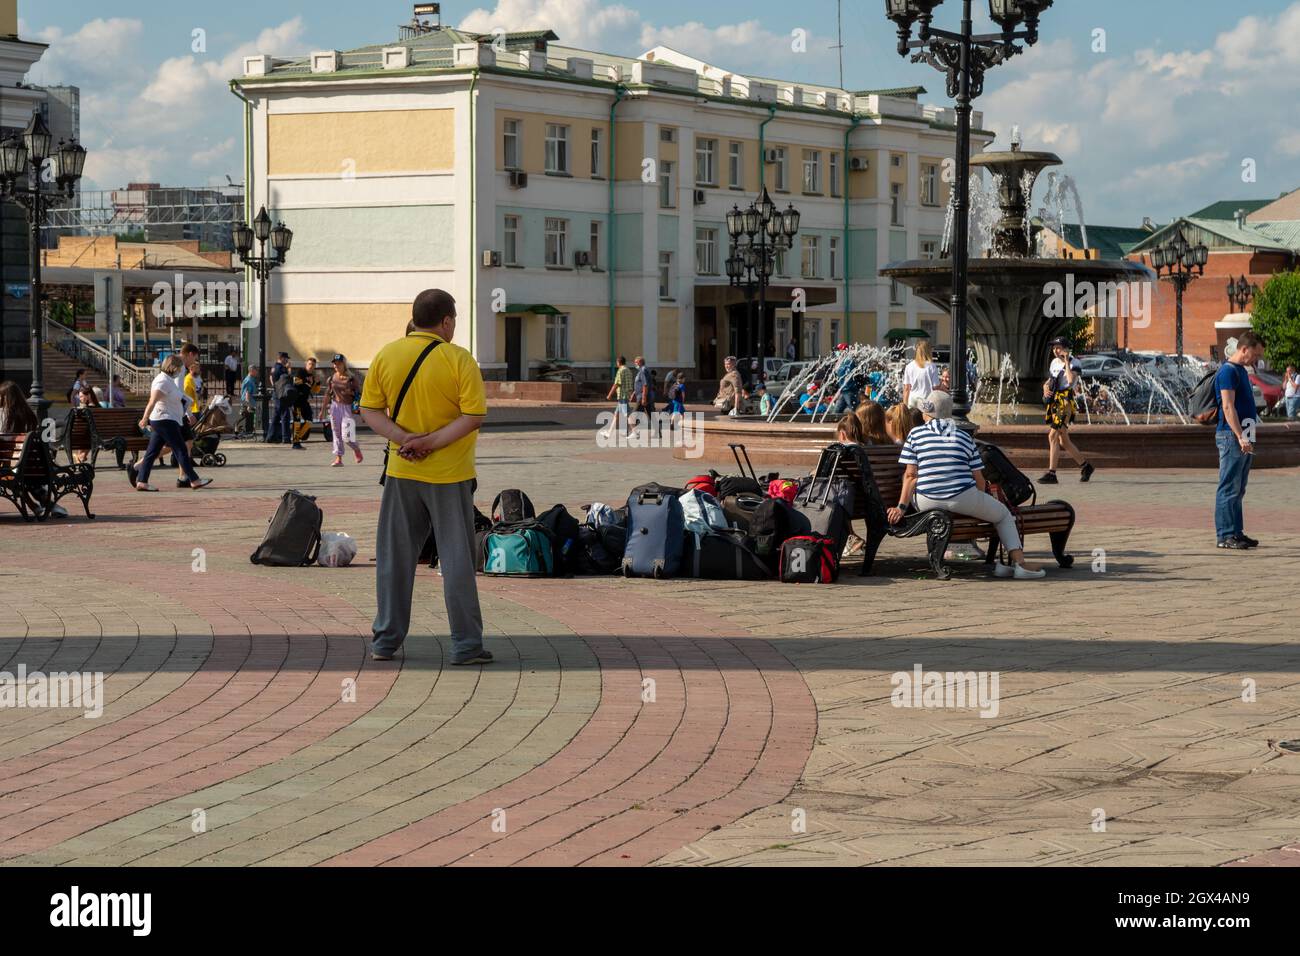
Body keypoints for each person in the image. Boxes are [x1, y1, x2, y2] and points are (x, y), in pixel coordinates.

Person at [358, 288, 490, 666]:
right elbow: (472, 416)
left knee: (394, 558)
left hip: (401, 472)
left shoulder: (387, 355)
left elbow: (370, 410)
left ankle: (385, 641)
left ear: (415, 319)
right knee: (456, 561)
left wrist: (404, 440)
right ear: (446, 321)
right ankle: (466, 645)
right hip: (450, 476)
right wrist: (431, 443)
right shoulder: (458, 359)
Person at [888, 390, 1043, 579]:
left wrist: (901, 507)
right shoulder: (964, 436)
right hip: (963, 496)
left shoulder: (916, 434)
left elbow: (911, 475)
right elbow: (978, 478)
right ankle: (1020, 564)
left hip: (927, 500)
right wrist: (979, 501)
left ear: (926, 413)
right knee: (1003, 515)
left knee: (924, 489)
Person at [127, 355, 211, 492]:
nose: (180, 370)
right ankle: (194, 480)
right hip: (164, 420)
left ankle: (142, 481)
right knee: (181, 449)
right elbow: (152, 401)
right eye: (179, 367)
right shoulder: (162, 381)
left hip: (166, 419)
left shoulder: (168, 380)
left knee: (152, 453)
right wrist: (144, 418)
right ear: (173, 367)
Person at [1214, 331, 1266, 550]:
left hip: (1245, 434)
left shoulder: (1241, 371)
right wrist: (1239, 436)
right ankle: (1225, 535)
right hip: (1231, 435)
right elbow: (1227, 407)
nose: (1257, 359)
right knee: (1229, 486)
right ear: (1244, 349)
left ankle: (1237, 532)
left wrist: (1248, 436)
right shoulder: (1227, 372)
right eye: (1255, 354)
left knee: (1239, 487)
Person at [1040, 337, 1095, 485]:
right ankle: (1086, 466)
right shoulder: (1053, 363)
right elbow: (1050, 380)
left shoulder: (1074, 362)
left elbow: (1070, 381)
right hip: (1054, 401)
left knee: (1052, 435)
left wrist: (1066, 362)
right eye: (1054, 348)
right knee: (1063, 440)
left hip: (1065, 402)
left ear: (1066, 349)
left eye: (1058, 348)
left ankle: (1052, 473)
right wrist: (1045, 387)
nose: (1055, 351)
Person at [326, 354, 364, 467]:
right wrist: (323, 409)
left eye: (339, 363)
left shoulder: (352, 379)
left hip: (347, 408)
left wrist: (362, 412)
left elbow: (359, 395)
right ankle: (339, 458)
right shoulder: (332, 378)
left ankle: (356, 448)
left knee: (347, 436)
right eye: (334, 363)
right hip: (335, 407)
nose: (336, 365)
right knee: (336, 433)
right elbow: (328, 394)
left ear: (344, 364)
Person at [603, 355, 634, 439]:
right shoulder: (628, 370)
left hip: (622, 396)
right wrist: (631, 394)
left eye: (617, 362)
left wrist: (609, 395)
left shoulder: (620, 370)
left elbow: (616, 384)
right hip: (625, 395)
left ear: (618, 362)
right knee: (616, 415)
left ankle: (635, 432)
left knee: (627, 414)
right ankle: (609, 433)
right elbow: (630, 383)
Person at [902, 340, 940, 409]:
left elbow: (906, 388)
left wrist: (905, 406)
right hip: (926, 401)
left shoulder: (909, 366)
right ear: (928, 351)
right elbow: (935, 388)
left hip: (912, 401)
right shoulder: (931, 366)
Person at [266, 352, 291, 442]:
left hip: (277, 393)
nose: (287, 360)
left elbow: (271, 378)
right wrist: (288, 369)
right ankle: (286, 437)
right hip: (281, 394)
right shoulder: (281, 368)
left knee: (276, 417)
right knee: (285, 415)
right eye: (286, 358)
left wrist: (274, 387)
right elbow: (287, 379)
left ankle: (270, 437)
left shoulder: (274, 367)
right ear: (281, 358)